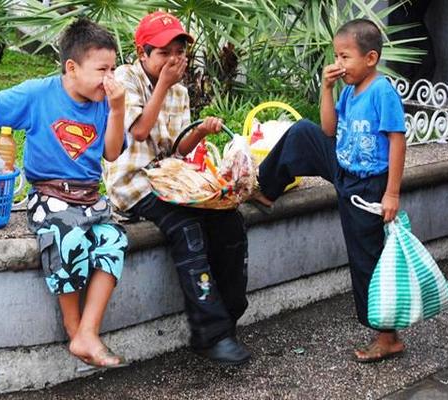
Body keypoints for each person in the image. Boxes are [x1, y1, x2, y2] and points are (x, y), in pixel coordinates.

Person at [0, 19, 129, 369]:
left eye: (113, 68)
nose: (110, 78)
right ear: (72, 68)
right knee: (67, 237)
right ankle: (75, 330)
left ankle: (89, 329)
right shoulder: (39, 94)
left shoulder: (106, 102)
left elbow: (113, 152)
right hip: (50, 196)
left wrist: (117, 110)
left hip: (90, 199)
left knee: (114, 239)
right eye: (103, 69)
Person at [253, 19, 407, 363]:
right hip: (343, 167)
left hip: (368, 185)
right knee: (304, 132)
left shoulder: (382, 91)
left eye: (345, 57)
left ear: (370, 58)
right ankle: (266, 188)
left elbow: (398, 141)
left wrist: (392, 194)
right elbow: (327, 129)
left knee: (366, 258)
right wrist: (325, 88)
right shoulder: (350, 90)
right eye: (337, 56)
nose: (339, 65)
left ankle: (387, 336)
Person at [103, 11, 251, 366]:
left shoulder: (180, 92)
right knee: (187, 229)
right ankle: (210, 334)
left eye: (180, 52)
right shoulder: (126, 79)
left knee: (228, 220)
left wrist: (200, 131)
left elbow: (177, 149)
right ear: (142, 53)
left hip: (169, 178)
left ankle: (227, 315)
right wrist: (164, 86)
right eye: (164, 52)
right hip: (133, 184)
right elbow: (138, 131)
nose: (174, 60)